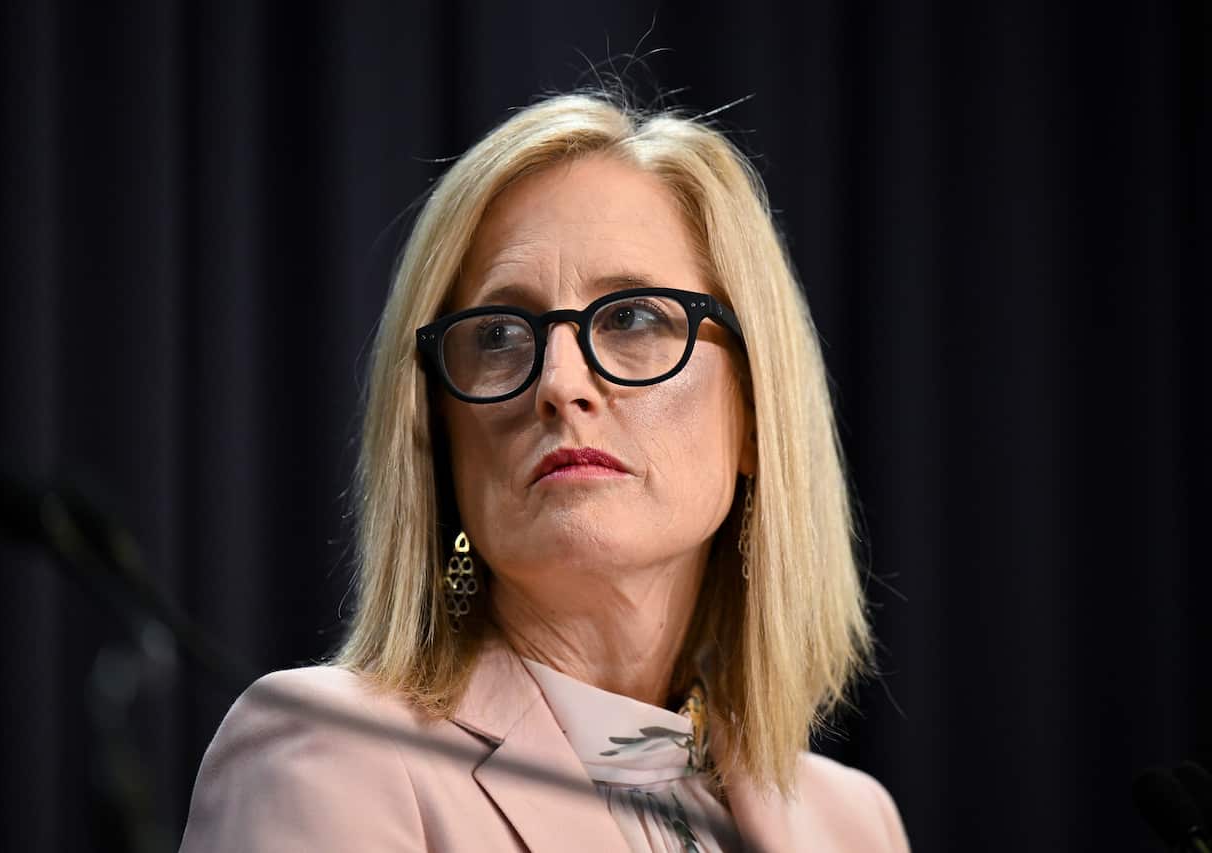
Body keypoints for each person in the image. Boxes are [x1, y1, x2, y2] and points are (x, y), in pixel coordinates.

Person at [178, 91, 911, 852]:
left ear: (755, 414)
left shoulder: (855, 823)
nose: (558, 382)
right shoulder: (328, 753)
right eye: (498, 334)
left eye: (631, 317)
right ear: (440, 434)